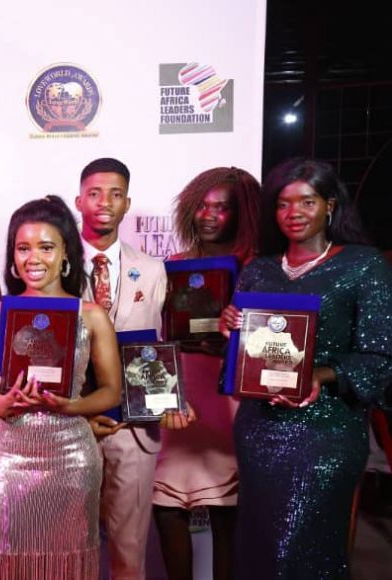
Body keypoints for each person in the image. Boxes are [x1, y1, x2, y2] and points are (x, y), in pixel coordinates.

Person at [219, 158, 392, 579]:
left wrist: (320, 376)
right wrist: (231, 328)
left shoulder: (363, 265)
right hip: (260, 429)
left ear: (330, 205)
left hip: (326, 430)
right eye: (283, 204)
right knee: (259, 544)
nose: (293, 213)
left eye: (307, 201)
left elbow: (379, 355)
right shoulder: (258, 269)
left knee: (303, 548)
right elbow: (244, 357)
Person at [0, 196, 122, 578]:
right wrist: (0, 404)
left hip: (72, 455)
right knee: (11, 561)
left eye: (46, 247)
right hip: (10, 457)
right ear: (12, 256)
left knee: (69, 563)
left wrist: (71, 406)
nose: (34, 258)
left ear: (66, 254)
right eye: (23, 248)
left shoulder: (91, 316)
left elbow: (112, 391)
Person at [152, 167, 260, 580]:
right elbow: (154, 333)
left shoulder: (258, 269)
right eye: (202, 205)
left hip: (227, 397)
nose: (209, 214)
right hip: (180, 390)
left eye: (222, 207)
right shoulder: (171, 266)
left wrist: (234, 338)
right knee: (166, 506)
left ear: (243, 213)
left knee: (227, 511)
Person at [73, 157, 168, 580]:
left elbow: (156, 347)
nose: (104, 203)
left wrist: (170, 399)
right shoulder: (53, 265)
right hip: (72, 426)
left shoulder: (152, 269)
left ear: (127, 203)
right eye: (94, 193)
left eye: (115, 194)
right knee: (72, 549)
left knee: (130, 553)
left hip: (134, 428)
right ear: (79, 201)